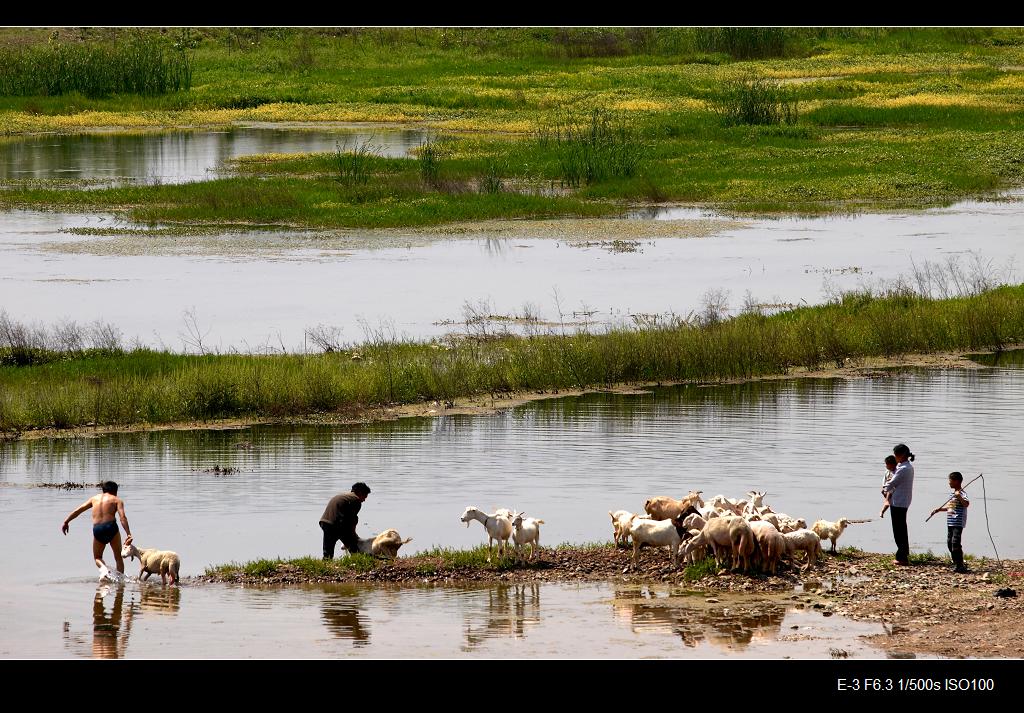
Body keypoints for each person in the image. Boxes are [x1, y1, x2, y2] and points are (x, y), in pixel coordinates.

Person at [61, 480, 132, 577]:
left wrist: (66, 521)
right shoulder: (116, 500)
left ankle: (105, 570)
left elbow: (78, 510)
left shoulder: (94, 499)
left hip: (98, 529)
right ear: (115, 491)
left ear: (103, 490)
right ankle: (120, 583)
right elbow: (122, 517)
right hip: (111, 527)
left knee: (97, 557)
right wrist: (128, 533)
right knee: (118, 558)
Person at [930, 471, 970, 574]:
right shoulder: (952, 494)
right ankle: (956, 562)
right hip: (950, 522)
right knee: (949, 543)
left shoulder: (962, 493)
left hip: (958, 522)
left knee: (955, 543)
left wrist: (959, 496)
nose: (949, 483)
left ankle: (960, 565)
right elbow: (950, 507)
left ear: (956, 481)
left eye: (950, 481)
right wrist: (939, 509)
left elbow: (966, 504)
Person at [319, 482, 371, 560]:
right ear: (360, 492)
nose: (363, 500)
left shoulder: (342, 496)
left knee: (328, 552)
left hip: (325, 522)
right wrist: (354, 536)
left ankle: (326, 564)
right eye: (364, 497)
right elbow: (352, 520)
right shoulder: (356, 500)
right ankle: (357, 561)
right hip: (337, 525)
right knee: (354, 548)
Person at [882, 444, 915, 566]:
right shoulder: (906, 466)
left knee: (898, 530)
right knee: (901, 528)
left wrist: (884, 488)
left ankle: (902, 557)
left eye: (895, 455)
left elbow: (892, 483)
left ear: (900, 455)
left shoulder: (904, 468)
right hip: (902, 501)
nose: (894, 458)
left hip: (899, 502)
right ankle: (903, 554)